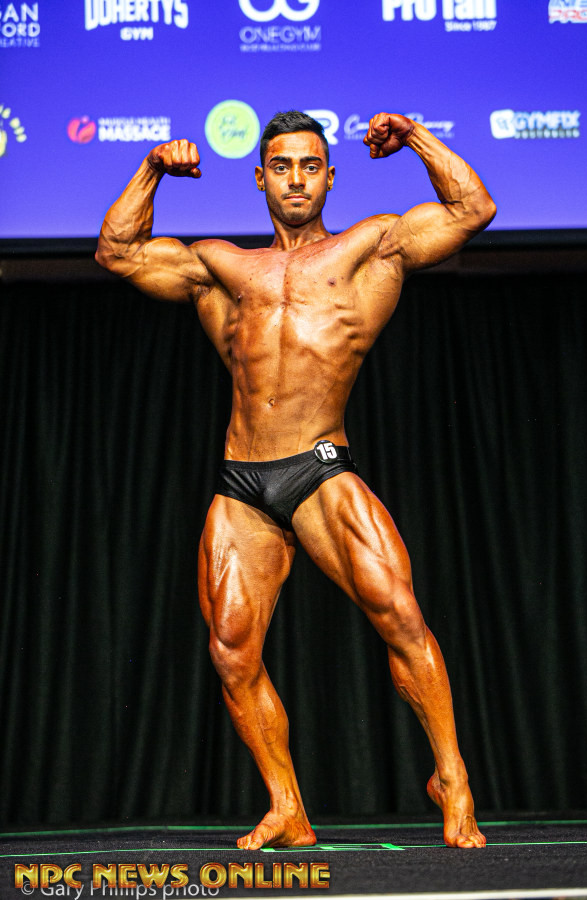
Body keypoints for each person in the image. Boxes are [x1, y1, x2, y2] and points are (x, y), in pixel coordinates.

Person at [96, 109, 496, 851]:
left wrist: (414, 137)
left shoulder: (369, 248)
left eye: (310, 166)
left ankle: (453, 777)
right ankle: (288, 807)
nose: (296, 180)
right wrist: (152, 169)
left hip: (318, 467)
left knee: (400, 616)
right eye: (281, 167)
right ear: (260, 178)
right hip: (242, 483)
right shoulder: (223, 267)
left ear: (330, 177)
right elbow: (116, 251)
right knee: (231, 652)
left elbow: (473, 208)